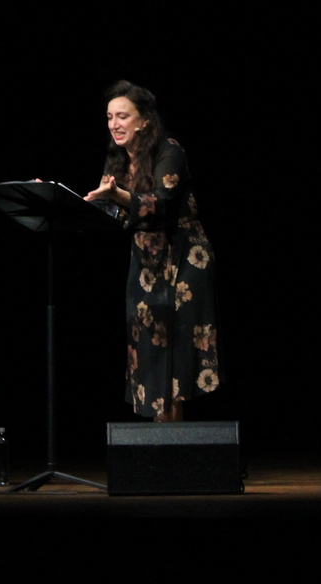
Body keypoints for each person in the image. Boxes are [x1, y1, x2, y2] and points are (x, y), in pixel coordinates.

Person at [85, 80, 221, 422]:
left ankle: (172, 437)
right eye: (109, 117)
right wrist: (64, 202)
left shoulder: (169, 150)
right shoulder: (117, 158)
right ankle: (158, 437)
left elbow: (162, 203)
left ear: (144, 120)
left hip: (182, 255)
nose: (114, 124)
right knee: (148, 346)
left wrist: (118, 197)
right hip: (145, 260)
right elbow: (113, 213)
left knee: (176, 350)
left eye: (122, 116)